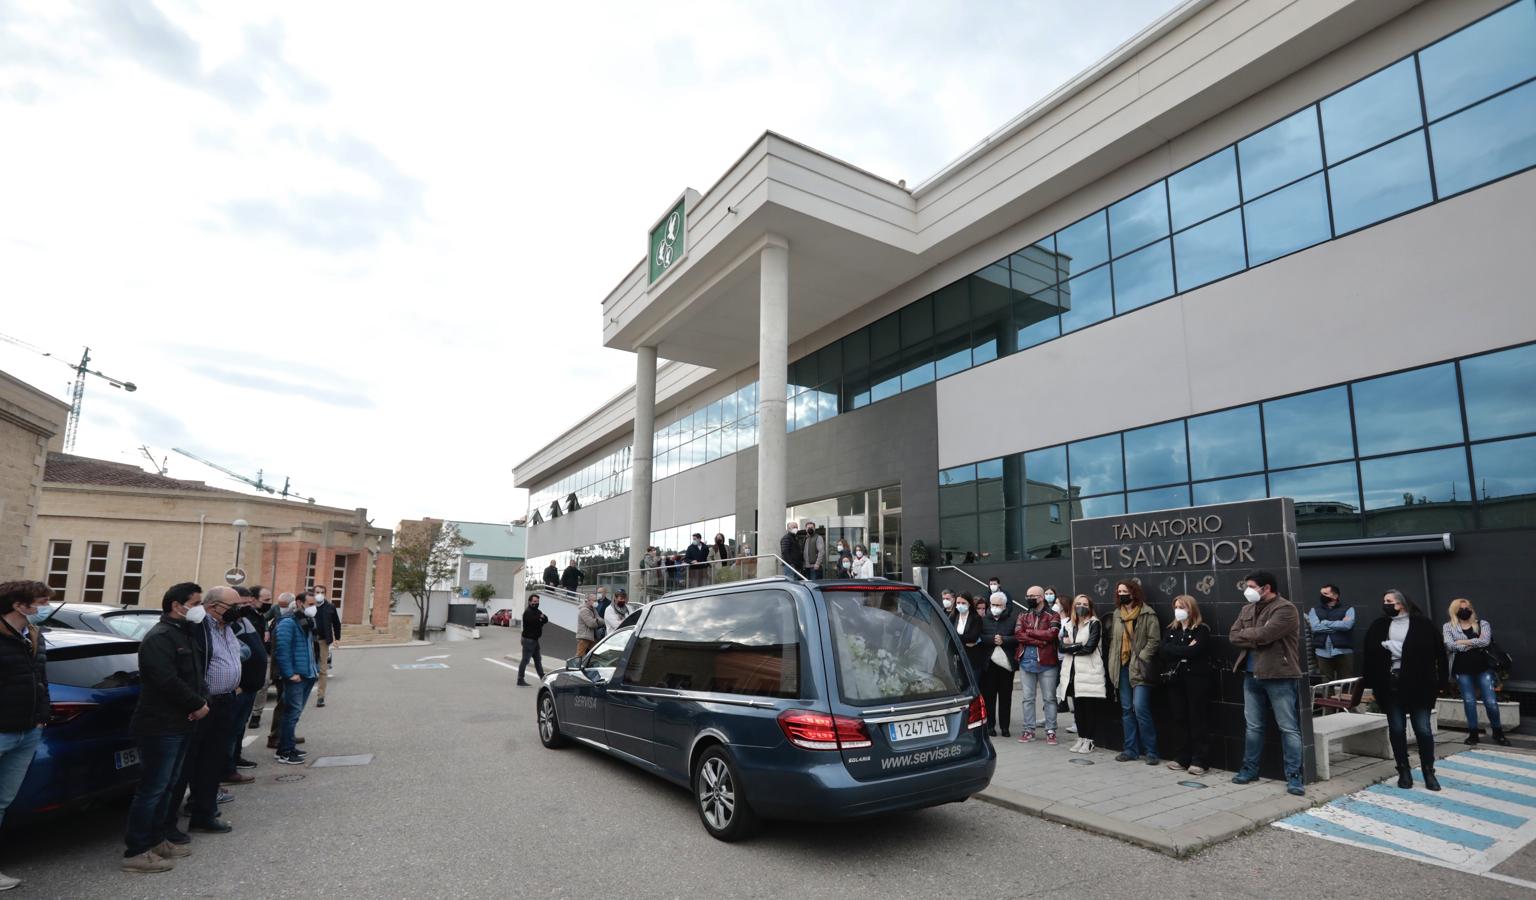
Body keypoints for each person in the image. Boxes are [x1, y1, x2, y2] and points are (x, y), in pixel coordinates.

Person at [121, 582, 208, 874]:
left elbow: (195, 675)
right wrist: (196, 703)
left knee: (169, 785)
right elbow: (166, 680)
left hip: (182, 721)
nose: (199, 609)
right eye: (195, 603)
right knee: (153, 789)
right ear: (176, 605)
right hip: (160, 724)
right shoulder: (159, 637)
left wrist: (202, 701)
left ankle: (158, 840)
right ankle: (136, 850)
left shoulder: (184, 633)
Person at [169, 586, 244, 836]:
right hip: (203, 704)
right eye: (234, 606)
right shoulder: (198, 628)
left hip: (226, 701)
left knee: (213, 761)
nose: (238, 611)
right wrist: (197, 700)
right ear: (213, 607)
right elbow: (191, 667)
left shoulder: (227, 627)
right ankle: (168, 825)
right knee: (188, 763)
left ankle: (204, 813)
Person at [1229, 571, 1305, 796]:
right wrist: (1255, 635)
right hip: (1251, 674)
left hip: (1279, 675)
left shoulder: (1286, 609)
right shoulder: (1247, 609)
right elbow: (1233, 636)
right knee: (1253, 726)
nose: (1248, 590)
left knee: (1288, 727)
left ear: (1267, 588)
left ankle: (1294, 776)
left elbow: (1266, 635)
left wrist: (1250, 635)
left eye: (1252, 586)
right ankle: (1249, 769)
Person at [1361, 590, 1445, 790]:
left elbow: (1437, 652)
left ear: (1401, 604)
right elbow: (1369, 653)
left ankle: (1428, 771)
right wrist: (1371, 681)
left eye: (1389, 601)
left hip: (1420, 684)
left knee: (1423, 729)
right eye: (1384, 601)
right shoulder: (1379, 625)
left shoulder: (1422, 624)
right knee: (1397, 728)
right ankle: (1403, 770)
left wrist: (1441, 681)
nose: (1385, 604)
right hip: (1391, 683)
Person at [0, 582, 50, 889]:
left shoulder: (32, 634)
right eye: (41, 602)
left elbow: (41, 679)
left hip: (28, 730)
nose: (45, 607)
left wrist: (42, 718)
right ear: (19, 605)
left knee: (2, 801)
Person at [1159, 594, 1215, 776]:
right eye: (1176, 607)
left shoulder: (1201, 630)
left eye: (1182, 607)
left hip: (1196, 680)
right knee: (1179, 717)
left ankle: (1200, 759)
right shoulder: (1171, 629)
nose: (1178, 611)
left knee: (1197, 718)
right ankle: (1181, 757)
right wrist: (1183, 649)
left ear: (1191, 609)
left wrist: (1177, 650)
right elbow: (1163, 650)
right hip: (1175, 679)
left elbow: (1195, 651)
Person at [1106, 580, 1160, 764]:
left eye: (1125, 591)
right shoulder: (1117, 614)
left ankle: (1151, 751)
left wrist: (1141, 657)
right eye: (1119, 591)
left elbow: (1154, 640)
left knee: (1140, 708)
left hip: (1139, 668)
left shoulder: (1147, 613)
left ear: (1134, 593)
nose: (1121, 594)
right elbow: (1114, 641)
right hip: (1122, 667)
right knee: (1127, 709)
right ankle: (1130, 750)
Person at [1444, 597, 1509, 746]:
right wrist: (1473, 644)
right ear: (1454, 611)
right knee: (1469, 702)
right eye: (1461, 609)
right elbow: (1450, 645)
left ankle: (1498, 733)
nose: (1464, 611)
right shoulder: (1448, 627)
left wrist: (1462, 642)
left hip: (1483, 668)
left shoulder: (1482, 624)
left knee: (1491, 702)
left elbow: (1485, 641)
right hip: (1462, 670)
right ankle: (1473, 734)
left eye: (1467, 608)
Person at [222, 588, 265, 783]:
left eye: (249, 603)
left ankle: (235, 758)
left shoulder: (246, 621)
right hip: (239, 688)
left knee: (239, 728)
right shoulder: (228, 626)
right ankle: (226, 770)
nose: (247, 607)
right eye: (242, 604)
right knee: (230, 731)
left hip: (251, 686)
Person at [272, 591, 319, 765]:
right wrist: (290, 673)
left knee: (295, 713)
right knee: (291, 713)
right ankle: (285, 751)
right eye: (310, 604)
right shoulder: (288, 622)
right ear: (299, 603)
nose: (313, 608)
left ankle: (288, 746)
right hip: (296, 676)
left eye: (315, 604)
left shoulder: (306, 622)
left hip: (307, 673)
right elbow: (282, 651)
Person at [1059, 594, 1107, 754]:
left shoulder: (1094, 623)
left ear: (1090, 607)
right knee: (1078, 709)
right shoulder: (1068, 624)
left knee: (1089, 708)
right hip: (1072, 673)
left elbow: (1090, 648)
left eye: (1085, 604)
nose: (1081, 607)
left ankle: (1089, 740)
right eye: (1078, 603)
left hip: (1089, 672)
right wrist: (1076, 646)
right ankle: (1081, 737)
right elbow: (1061, 647)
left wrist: (1072, 647)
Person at [1014, 586, 1061, 745]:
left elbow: (1052, 634)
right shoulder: (1022, 615)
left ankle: (1051, 731)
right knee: (1027, 698)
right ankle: (1028, 730)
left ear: (1041, 597)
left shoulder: (1053, 615)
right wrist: (1040, 641)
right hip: (1026, 662)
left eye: (1032, 596)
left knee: (1049, 698)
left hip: (1047, 663)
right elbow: (1018, 635)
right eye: (1027, 596)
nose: (1029, 598)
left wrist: (1030, 632)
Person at [980, 592, 1018, 737]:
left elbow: (1017, 638)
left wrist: (1004, 640)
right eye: (993, 604)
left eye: (998, 605)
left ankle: (1005, 727)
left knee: (1005, 697)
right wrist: (991, 639)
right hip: (988, 664)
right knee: (989, 697)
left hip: (1006, 665)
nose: (995, 607)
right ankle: (990, 726)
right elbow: (979, 637)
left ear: (1004, 606)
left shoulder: (1012, 620)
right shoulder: (983, 620)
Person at [1307, 584, 1355, 683]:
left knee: (1346, 681)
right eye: (1321, 593)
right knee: (1326, 682)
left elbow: (1347, 625)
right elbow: (1315, 627)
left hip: (1343, 650)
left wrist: (1325, 622)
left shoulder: (1348, 609)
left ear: (1335, 596)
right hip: (1322, 651)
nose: (1322, 596)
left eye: (1325, 593)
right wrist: (1337, 626)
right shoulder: (1314, 610)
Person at [312, 588, 341, 708]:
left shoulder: (330, 607)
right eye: (317, 592)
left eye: (322, 592)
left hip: (323, 641)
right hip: (309, 640)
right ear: (313, 593)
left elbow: (336, 623)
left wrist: (337, 638)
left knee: (322, 669)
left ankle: (320, 696)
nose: (320, 595)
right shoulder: (309, 606)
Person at [516, 594, 548, 686]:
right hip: (528, 640)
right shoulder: (528, 612)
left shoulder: (537, 611)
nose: (536, 603)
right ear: (529, 602)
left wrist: (542, 618)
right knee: (525, 660)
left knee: (538, 659)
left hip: (535, 640)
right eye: (534, 601)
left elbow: (545, 619)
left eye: (537, 601)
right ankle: (520, 679)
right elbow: (533, 622)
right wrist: (540, 619)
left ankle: (542, 677)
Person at [954, 593, 984, 675]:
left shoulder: (976, 618)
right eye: (958, 603)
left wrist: (955, 637)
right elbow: (948, 633)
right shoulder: (954, 616)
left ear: (969, 604)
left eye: (963, 603)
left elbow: (973, 637)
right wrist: (964, 639)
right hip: (957, 657)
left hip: (972, 659)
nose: (960, 605)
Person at [575, 594, 601, 659]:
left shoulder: (593, 609)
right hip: (584, 637)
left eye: (596, 600)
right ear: (588, 601)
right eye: (594, 600)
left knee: (593, 656)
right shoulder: (584, 610)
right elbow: (591, 624)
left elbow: (601, 620)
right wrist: (597, 621)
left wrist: (597, 621)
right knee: (580, 656)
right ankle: (576, 665)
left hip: (592, 637)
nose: (596, 602)